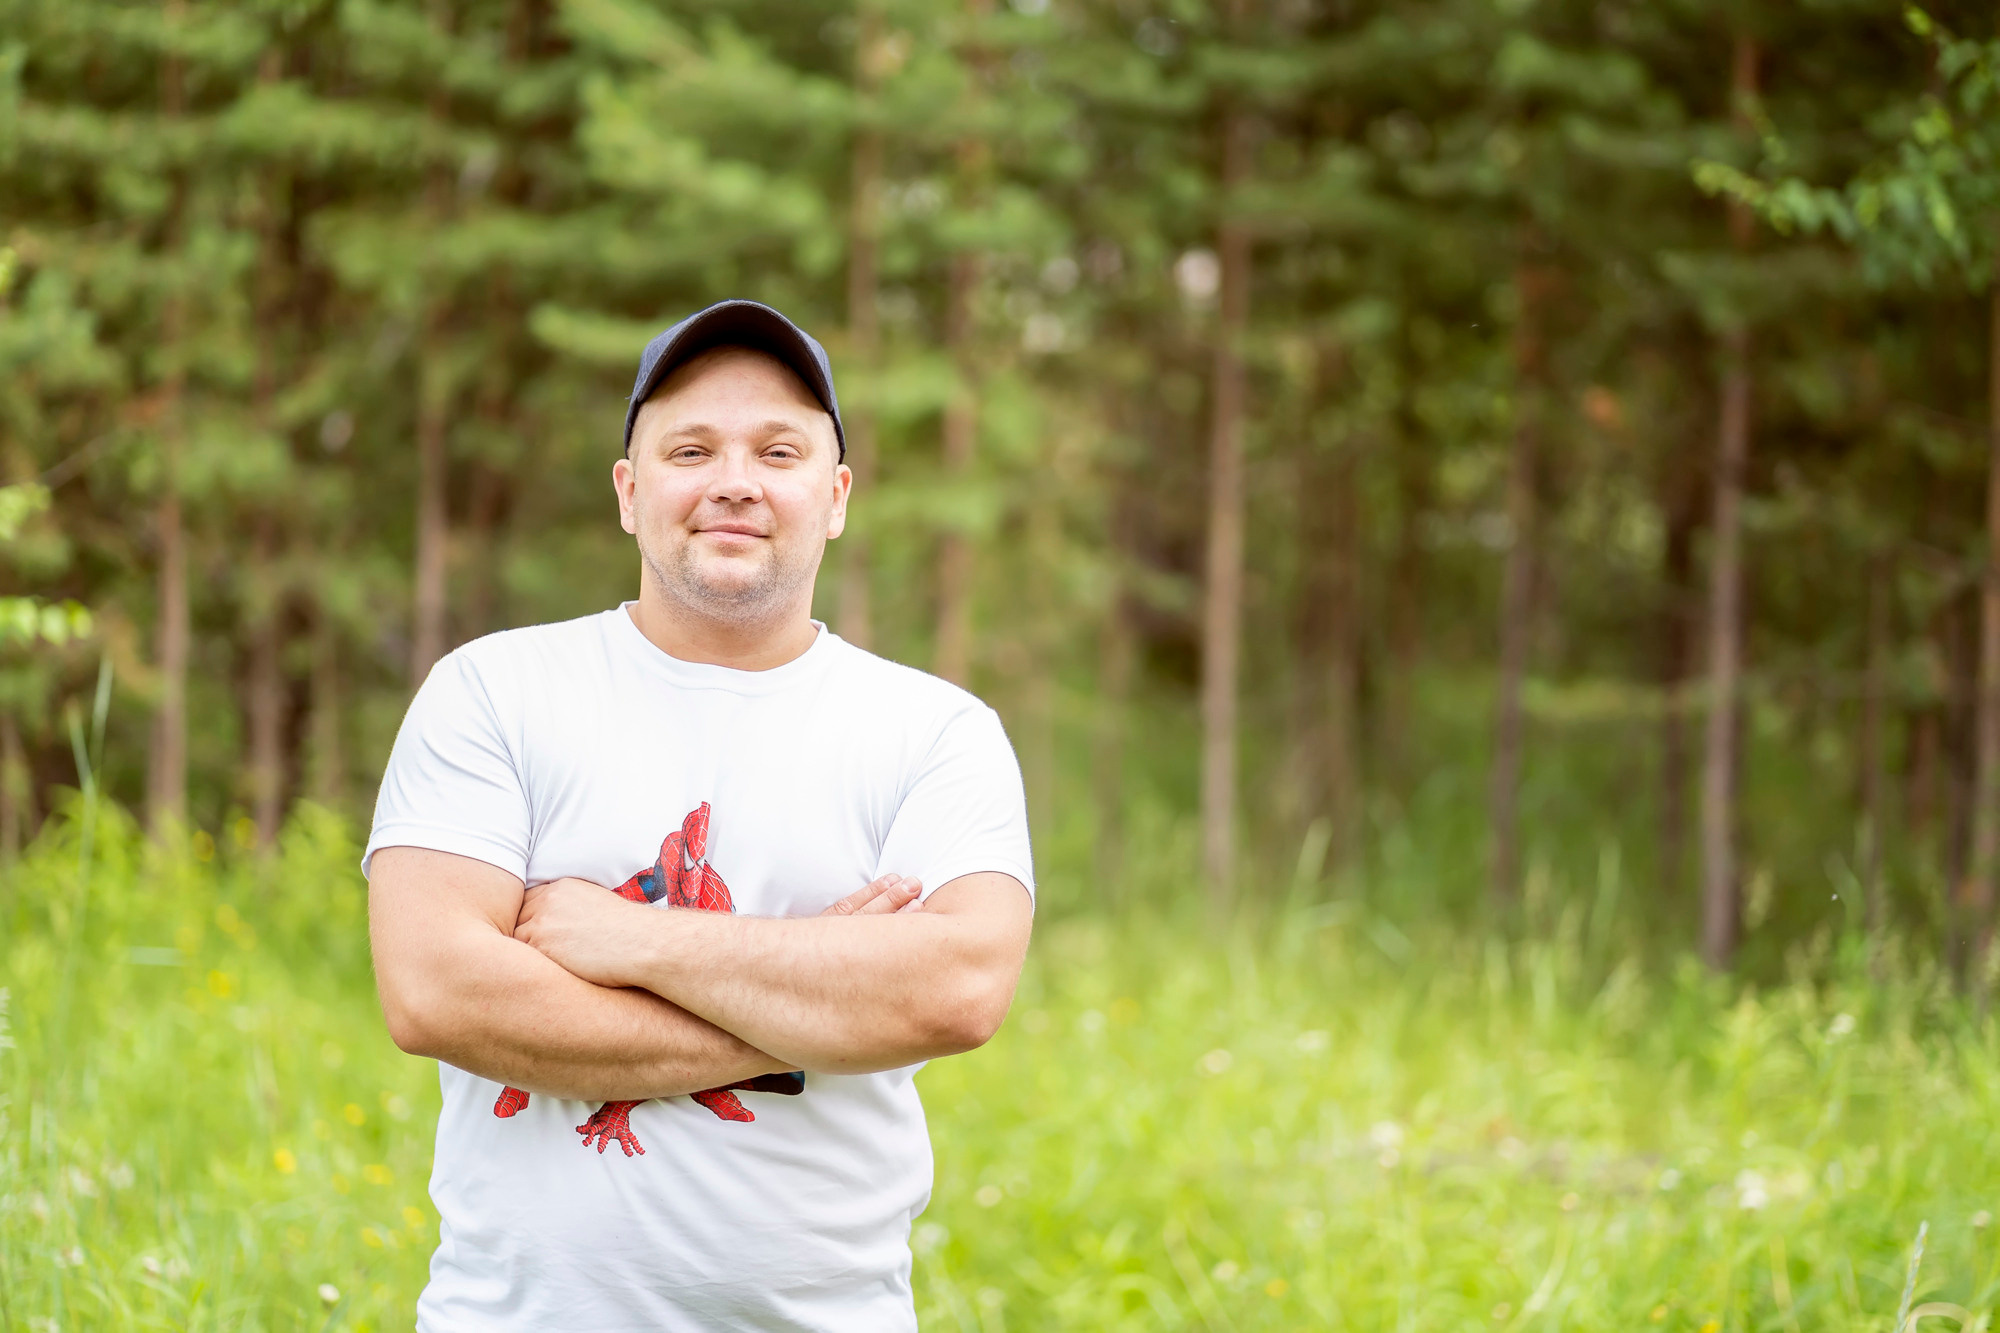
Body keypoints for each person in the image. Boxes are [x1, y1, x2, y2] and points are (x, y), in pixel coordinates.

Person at [364, 299, 1035, 1332]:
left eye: (778, 450)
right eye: (690, 448)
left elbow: (954, 988)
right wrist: (813, 995)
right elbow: (435, 991)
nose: (734, 481)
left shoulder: (934, 730)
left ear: (835, 494)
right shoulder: (494, 690)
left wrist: (625, 938)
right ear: (630, 493)